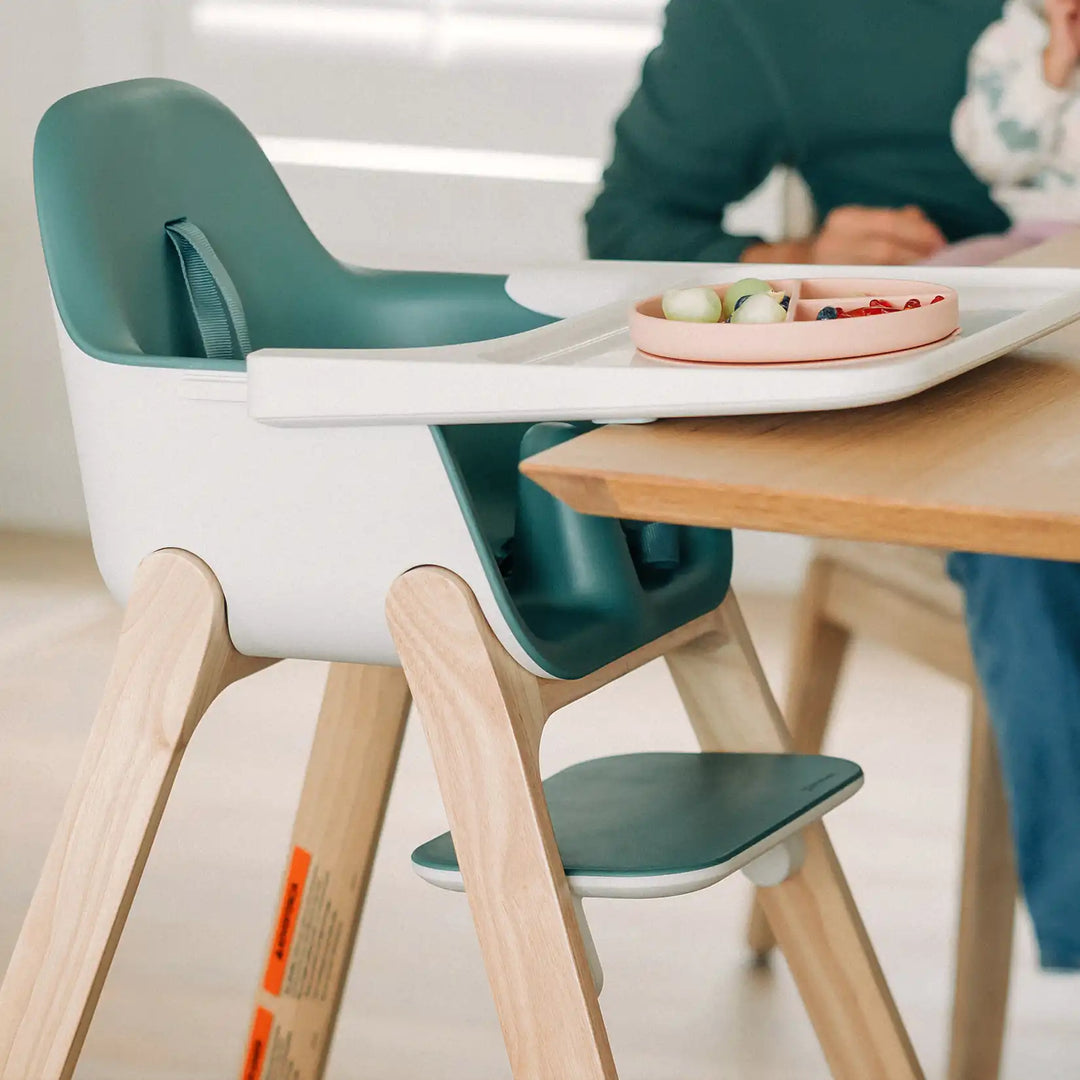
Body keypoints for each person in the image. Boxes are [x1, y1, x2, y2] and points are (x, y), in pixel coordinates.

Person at [586, 0, 1080, 972]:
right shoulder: (763, 18)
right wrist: (798, 262)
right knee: (1044, 545)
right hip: (969, 395)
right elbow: (628, 227)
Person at [936, 0, 1080, 264]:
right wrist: (1053, 67)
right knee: (950, 276)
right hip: (1041, 234)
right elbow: (995, 161)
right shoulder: (1006, 46)